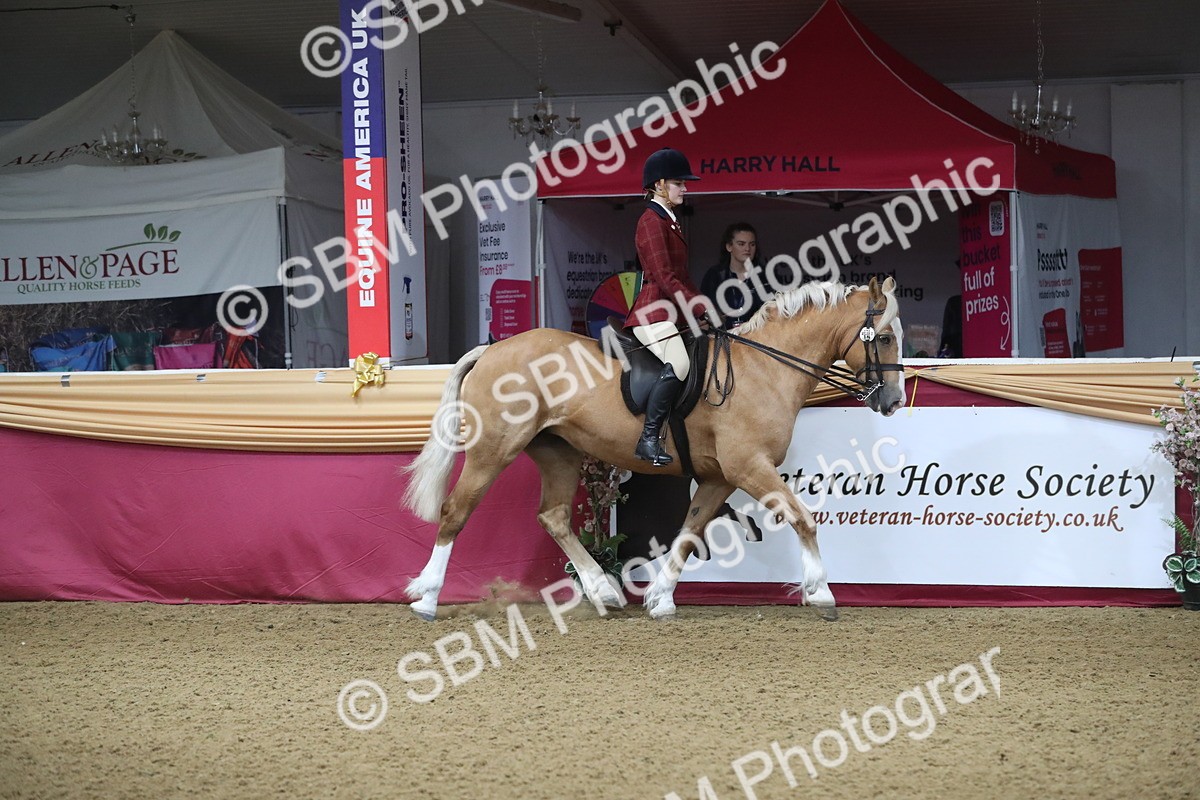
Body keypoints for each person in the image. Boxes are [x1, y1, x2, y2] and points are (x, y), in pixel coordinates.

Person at [625, 147, 703, 467]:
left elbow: (682, 276)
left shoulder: (670, 221)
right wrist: (695, 309)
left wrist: (704, 307)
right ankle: (648, 438)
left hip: (669, 309)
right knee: (680, 364)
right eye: (678, 183)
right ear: (659, 185)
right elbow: (665, 276)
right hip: (652, 311)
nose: (685, 188)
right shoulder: (650, 221)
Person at [701, 222, 768, 328]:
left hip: (756, 340)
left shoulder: (764, 277)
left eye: (752, 244)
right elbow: (703, 312)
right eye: (741, 244)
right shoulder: (714, 275)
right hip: (722, 339)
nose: (747, 249)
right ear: (729, 247)